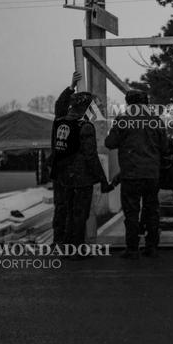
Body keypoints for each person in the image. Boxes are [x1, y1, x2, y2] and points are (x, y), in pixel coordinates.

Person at [105, 90, 171, 259]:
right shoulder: (156, 121)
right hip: (151, 174)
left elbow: (110, 143)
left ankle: (132, 249)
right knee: (151, 210)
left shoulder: (122, 120)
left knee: (131, 212)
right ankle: (152, 247)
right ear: (146, 102)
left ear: (128, 103)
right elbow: (165, 148)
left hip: (130, 174)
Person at [50, 91, 112, 250]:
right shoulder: (85, 127)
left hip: (63, 177)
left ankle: (65, 246)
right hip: (81, 178)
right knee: (79, 214)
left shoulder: (59, 122)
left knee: (67, 213)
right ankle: (76, 249)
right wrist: (103, 181)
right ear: (86, 107)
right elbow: (91, 157)